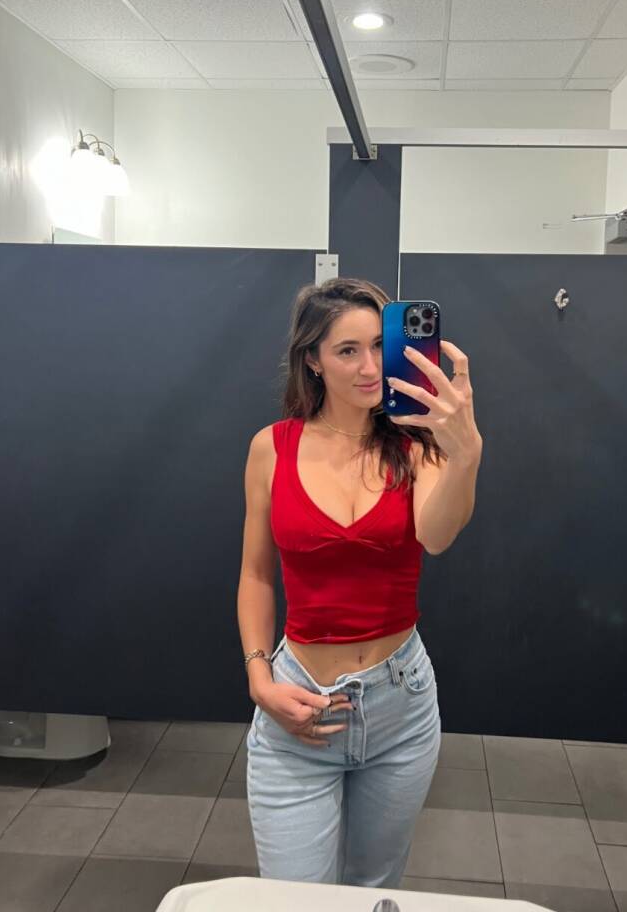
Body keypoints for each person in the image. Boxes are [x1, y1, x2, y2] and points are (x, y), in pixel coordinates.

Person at [237, 277, 483, 887]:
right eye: (348, 350)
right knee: (293, 898)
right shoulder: (272, 448)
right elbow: (256, 574)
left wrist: (466, 454)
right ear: (313, 360)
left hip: (400, 706)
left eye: (379, 345)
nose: (371, 367)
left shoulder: (417, 444)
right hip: (299, 702)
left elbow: (436, 535)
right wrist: (259, 679)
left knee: (374, 888)